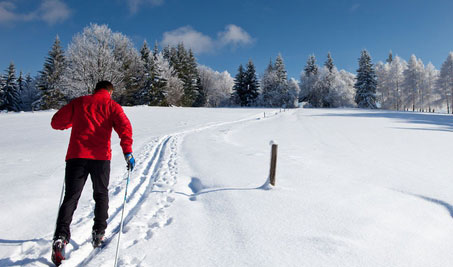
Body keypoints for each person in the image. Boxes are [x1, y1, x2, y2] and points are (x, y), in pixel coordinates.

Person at [50, 81, 135, 266]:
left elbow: (56, 122)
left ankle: (60, 237)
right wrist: (127, 152)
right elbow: (124, 128)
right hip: (100, 159)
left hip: (76, 157)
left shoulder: (80, 102)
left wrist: (74, 121)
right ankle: (98, 233)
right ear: (110, 92)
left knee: (71, 197)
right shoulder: (112, 106)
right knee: (101, 194)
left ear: (95, 90)